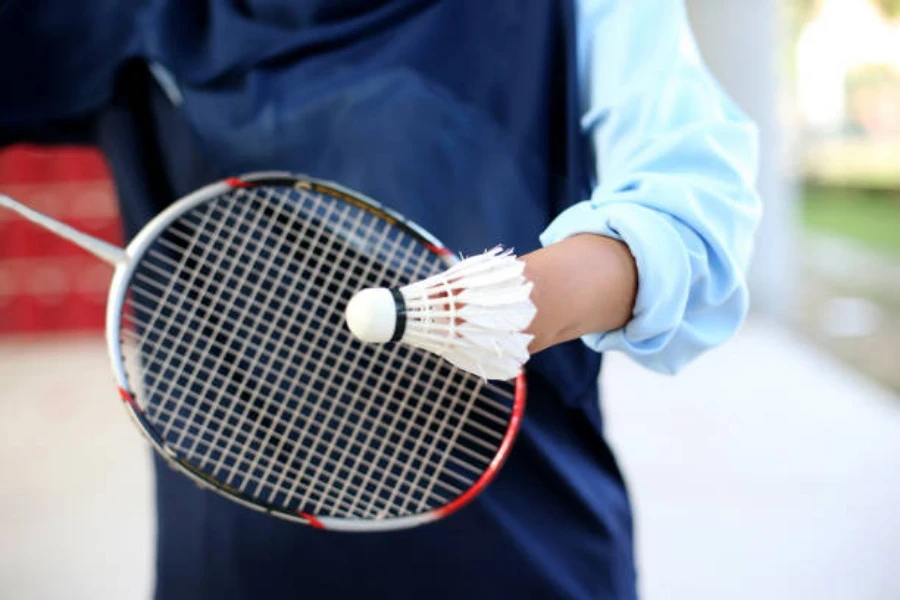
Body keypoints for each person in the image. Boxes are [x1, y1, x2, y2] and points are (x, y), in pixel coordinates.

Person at [0, 0, 761, 598]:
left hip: (525, 562)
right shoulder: (117, 17)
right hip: (230, 573)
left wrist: (514, 301)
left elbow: (694, 209)